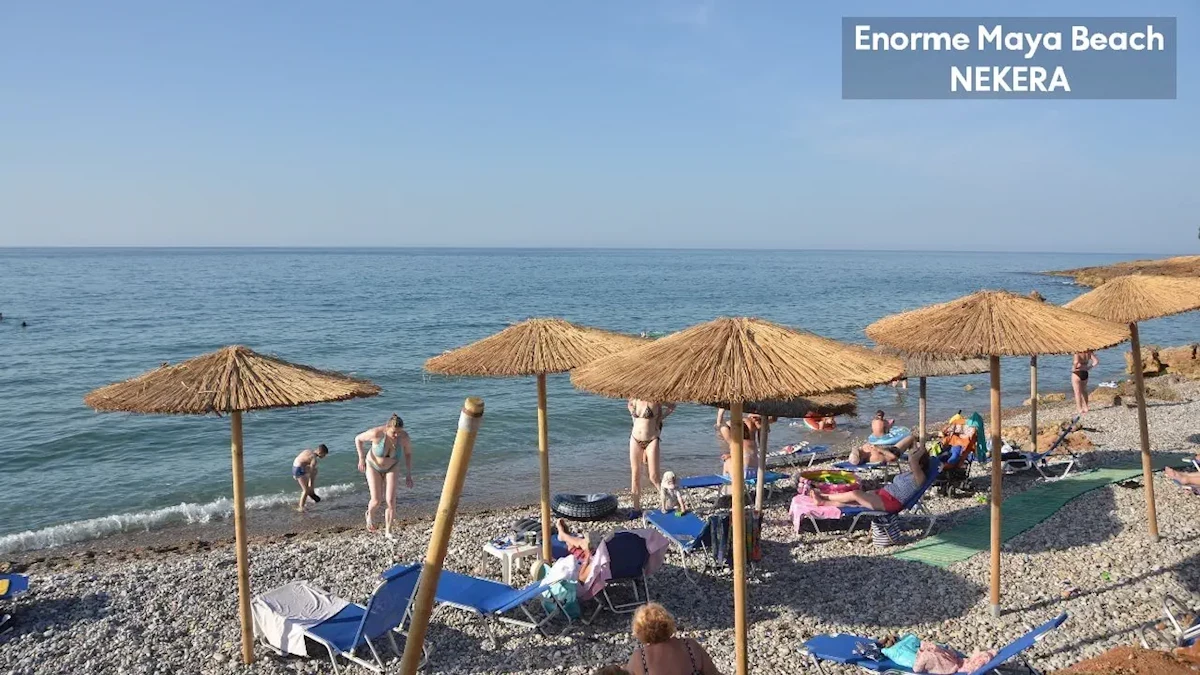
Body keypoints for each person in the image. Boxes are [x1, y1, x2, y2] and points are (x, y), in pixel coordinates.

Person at [813, 447, 931, 513]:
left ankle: (823, 496)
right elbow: (913, 461)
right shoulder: (911, 473)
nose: (909, 463)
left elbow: (913, 460)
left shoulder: (920, 478)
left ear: (919, 464)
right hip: (884, 494)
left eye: (913, 461)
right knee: (855, 501)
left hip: (891, 502)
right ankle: (823, 502)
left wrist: (918, 452)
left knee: (855, 494)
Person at [355, 414, 412, 538]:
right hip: (373, 466)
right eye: (393, 432)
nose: (396, 435)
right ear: (387, 428)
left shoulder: (404, 437)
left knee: (391, 501)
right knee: (376, 500)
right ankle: (370, 515)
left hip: (392, 467)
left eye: (399, 432)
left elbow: (408, 454)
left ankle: (388, 531)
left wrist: (408, 474)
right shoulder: (376, 433)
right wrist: (361, 458)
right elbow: (358, 439)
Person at [625, 602, 722, 675]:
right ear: (668, 623)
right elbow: (714, 673)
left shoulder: (639, 658)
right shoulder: (690, 646)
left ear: (639, 631)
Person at [628, 399, 676, 514]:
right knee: (635, 475)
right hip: (635, 438)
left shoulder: (656, 399)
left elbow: (672, 406)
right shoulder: (635, 398)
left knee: (654, 477)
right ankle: (636, 508)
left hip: (652, 440)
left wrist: (660, 418)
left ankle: (669, 498)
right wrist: (631, 411)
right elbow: (629, 404)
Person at [291, 444, 328, 512]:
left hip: (295, 467)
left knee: (315, 471)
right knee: (305, 490)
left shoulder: (308, 451)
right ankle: (301, 507)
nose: (324, 457)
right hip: (298, 470)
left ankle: (311, 492)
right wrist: (310, 482)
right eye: (324, 455)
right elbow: (311, 472)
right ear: (320, 452)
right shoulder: (314, 460)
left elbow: (300, 459)